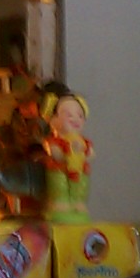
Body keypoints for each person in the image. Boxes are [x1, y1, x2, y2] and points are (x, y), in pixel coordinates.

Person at [37, 85, 93, 223]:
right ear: (53, 119)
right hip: (60, 170)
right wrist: (64, 154)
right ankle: (60, 203)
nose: (75, 119)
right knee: (60, 186)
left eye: (80, 115)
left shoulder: (83, 141)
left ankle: (77, 203)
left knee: (80, 187)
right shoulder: (54, 141)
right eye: (69, 115)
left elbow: (90, 154)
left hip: (79, 171)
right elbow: (55, 154)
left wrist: (83, 152)